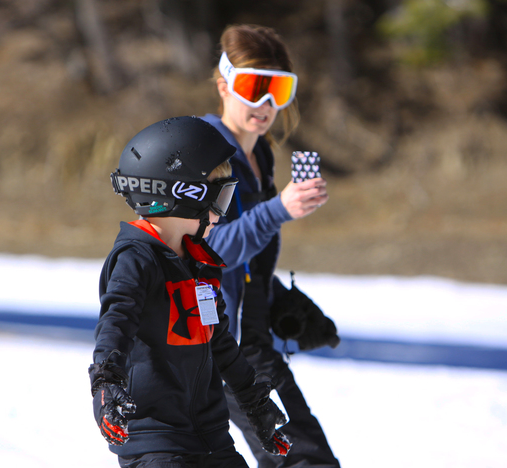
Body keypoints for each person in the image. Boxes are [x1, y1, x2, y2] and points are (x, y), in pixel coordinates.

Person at [89, 116, 293, 468]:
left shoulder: (199, 262)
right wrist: (106, 384)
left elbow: (220, 342)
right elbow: (115, 325)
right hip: (157, 441)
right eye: (222, 197)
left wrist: (255, 403)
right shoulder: (136, 260)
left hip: (211, 438)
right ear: (184, 196)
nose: (221, 215)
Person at [200, 25, 342, 468]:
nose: (265, 105)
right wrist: (279, 209)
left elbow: (247, 261)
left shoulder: (260, 157)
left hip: (249, 333)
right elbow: (213, 251)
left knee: (297, 455)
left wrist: (273, 301)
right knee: (302, 458)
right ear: (224, 85)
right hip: (221, 342)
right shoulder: (206, 154)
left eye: (277, 89)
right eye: (253, 88)